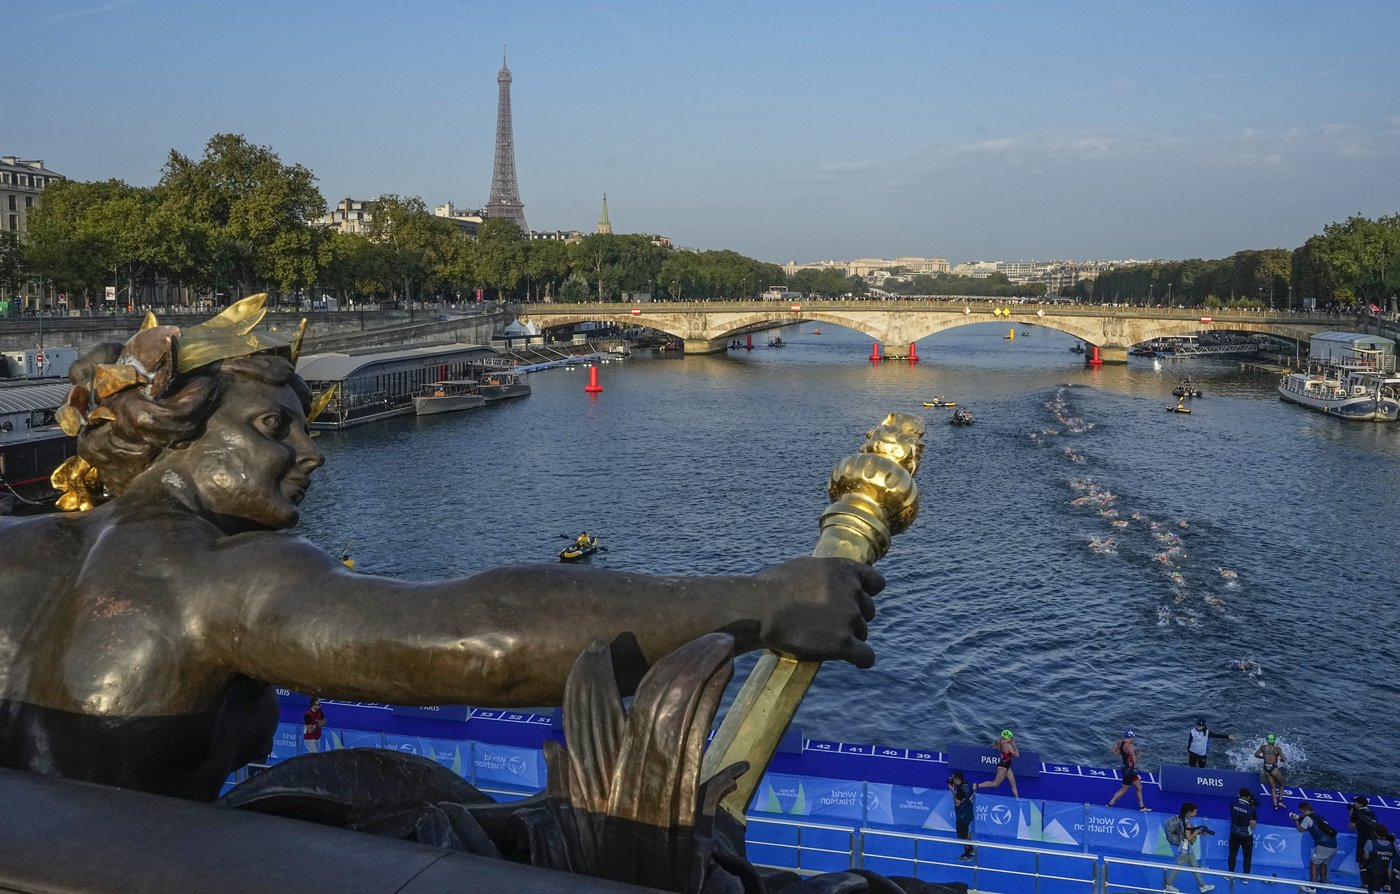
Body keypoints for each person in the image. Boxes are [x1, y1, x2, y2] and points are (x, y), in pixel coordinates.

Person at [0, 299, 884, 802]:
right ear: (178, 436)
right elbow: (481, 638)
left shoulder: (25, 550)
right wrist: (766, 603)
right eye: (275, 427)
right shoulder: (214, 576)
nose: (309, 454)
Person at [1164, 801, 1215, 893]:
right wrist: (1196, 832)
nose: (1196, 813)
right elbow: (1189, 838)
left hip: (1187, 848)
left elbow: (1186, 833)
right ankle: (1168, 884)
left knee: (1194, 866)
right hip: (1185, 849)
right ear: (1189, 812)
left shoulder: (1181, 818)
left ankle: (1202, 886)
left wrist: (1198, 832)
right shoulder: (1188, 824)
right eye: (1195, 812)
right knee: (1177, 867)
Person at [1290, 801, 1338, 892]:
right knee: (1323, 863)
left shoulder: (1308, 819)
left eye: (1301, 811)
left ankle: (1312, 887)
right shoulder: (1320, 817)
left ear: (1305, 810)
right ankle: (1324, 884)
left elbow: (1301, 830)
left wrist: (1296, 820)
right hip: (1333, 845)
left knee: (1314, 864)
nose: (1301, 813)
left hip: (1323, 846)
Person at [1107, 729, 1150, 811]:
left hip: (1126, 768)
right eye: (1133, 737)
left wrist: (1122, 754)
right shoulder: (1131, 747)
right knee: (1123, 790)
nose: (1134, 739)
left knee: (1139, 787)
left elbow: (1113, 751)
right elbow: (1134, 760)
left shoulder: (1120, 742)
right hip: (1129, 771)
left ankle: (1142, 807)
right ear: (1131, 737)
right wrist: (1140, 755)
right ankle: (1109, 804)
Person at [974, 729, 1020, 798]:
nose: (1012, 738)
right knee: (995, 784)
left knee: (1013, 783)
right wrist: (1014, 745)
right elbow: (1017, 755)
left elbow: (994, 743)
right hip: (1003, 766)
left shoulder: (1000, 741)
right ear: (1007, 738)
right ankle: (976, 786)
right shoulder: (1008, 745)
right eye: (1011, 737)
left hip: (1007, 766)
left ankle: (1018, 800)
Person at [1228, 787, 1258, 879]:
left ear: (1238, 794)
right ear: (1248, 797)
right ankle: (1245, 877)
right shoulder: (1252, 810)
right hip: (1246, 836)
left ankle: (1231, 875)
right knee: (1247, 856)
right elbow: (1253, 826)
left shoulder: (1232, 804)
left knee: (1232, 854)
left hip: (1234, 834)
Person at [948, 770, 976, 862]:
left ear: (956, 779)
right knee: (967, 831)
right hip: (969, 813)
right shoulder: (968, 784)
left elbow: (957, 803)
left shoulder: (960, 791)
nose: (952, 779)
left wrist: (952, 791)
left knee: (963, 835)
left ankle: (967, 854)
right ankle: (971, 849)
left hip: (962, 816)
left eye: (953, 778)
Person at [1362, 823, 1397, 894]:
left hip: (1374, 875)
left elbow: (1366, 858)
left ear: (1375, 833)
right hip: (1389, 877)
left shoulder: (1370, 842)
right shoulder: (1393, 845)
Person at [1254, 734, 1286, 809]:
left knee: (1273, 787)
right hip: (1273, 768)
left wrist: (1263, 757)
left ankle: (1275, 806)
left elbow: (1255, 755)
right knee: (1281, 784)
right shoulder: (1277, 749)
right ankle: (1280, 802)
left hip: (1266, 768)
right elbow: (1283, 759)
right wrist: (1282, 759)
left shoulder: (1263, 747)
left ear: (1267, 741)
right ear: (1274, 741)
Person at [1354, 797, 1381, 875]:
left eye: (1355, 803)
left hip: (1362, 841)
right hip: (1372, 841)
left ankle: (1364, 884)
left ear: (1360, 804)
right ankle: (1370, 883)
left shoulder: (1358, 813)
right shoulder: (1372, 813)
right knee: (1371, 863)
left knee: (1362, 864)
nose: (1353, 804)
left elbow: (1351, 827)